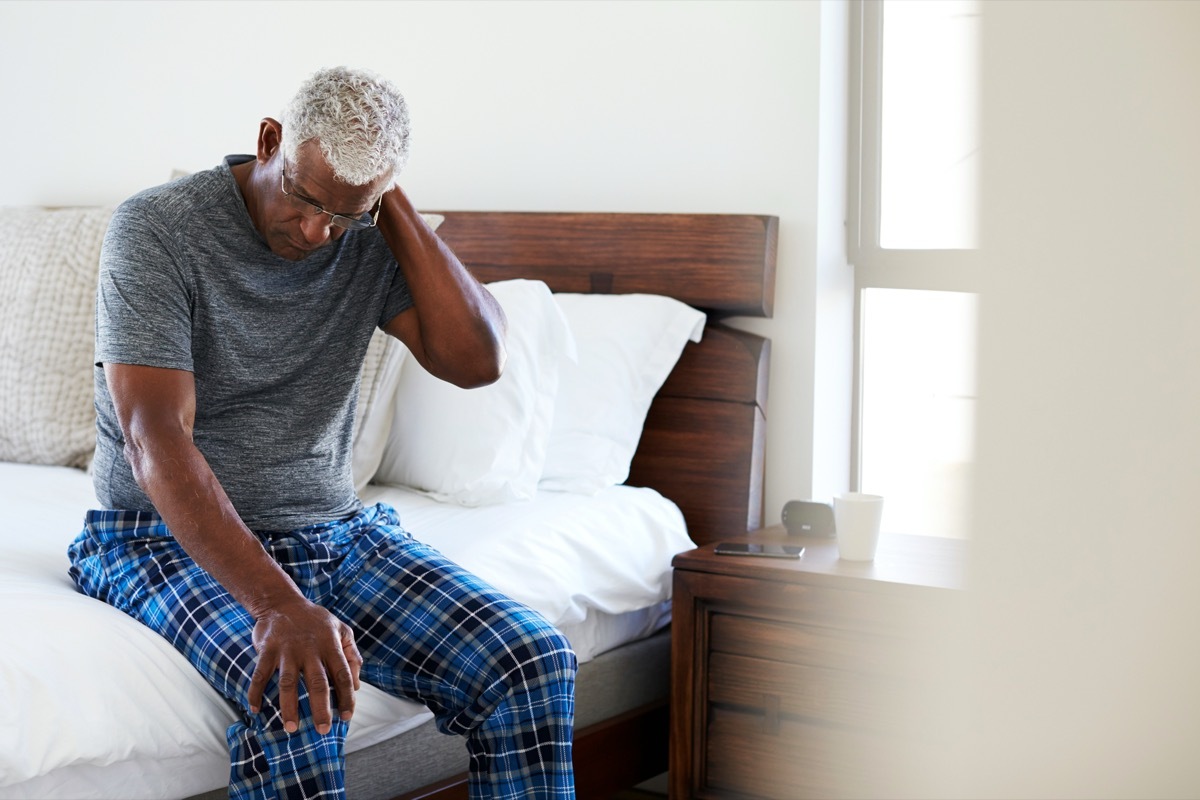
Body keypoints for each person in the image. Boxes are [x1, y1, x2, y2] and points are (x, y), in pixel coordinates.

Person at [67, 66, 577, 800]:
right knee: (298, 696)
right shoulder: (159, 228)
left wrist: (383, 204)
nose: (317, 232)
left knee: (531, 663)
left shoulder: (363, 232)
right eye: (305, 198)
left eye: (344, 215)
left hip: (332, 533)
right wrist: (277, 604)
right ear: (270, 140)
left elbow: (478, 362)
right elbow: (154, 440)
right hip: (157, 537)